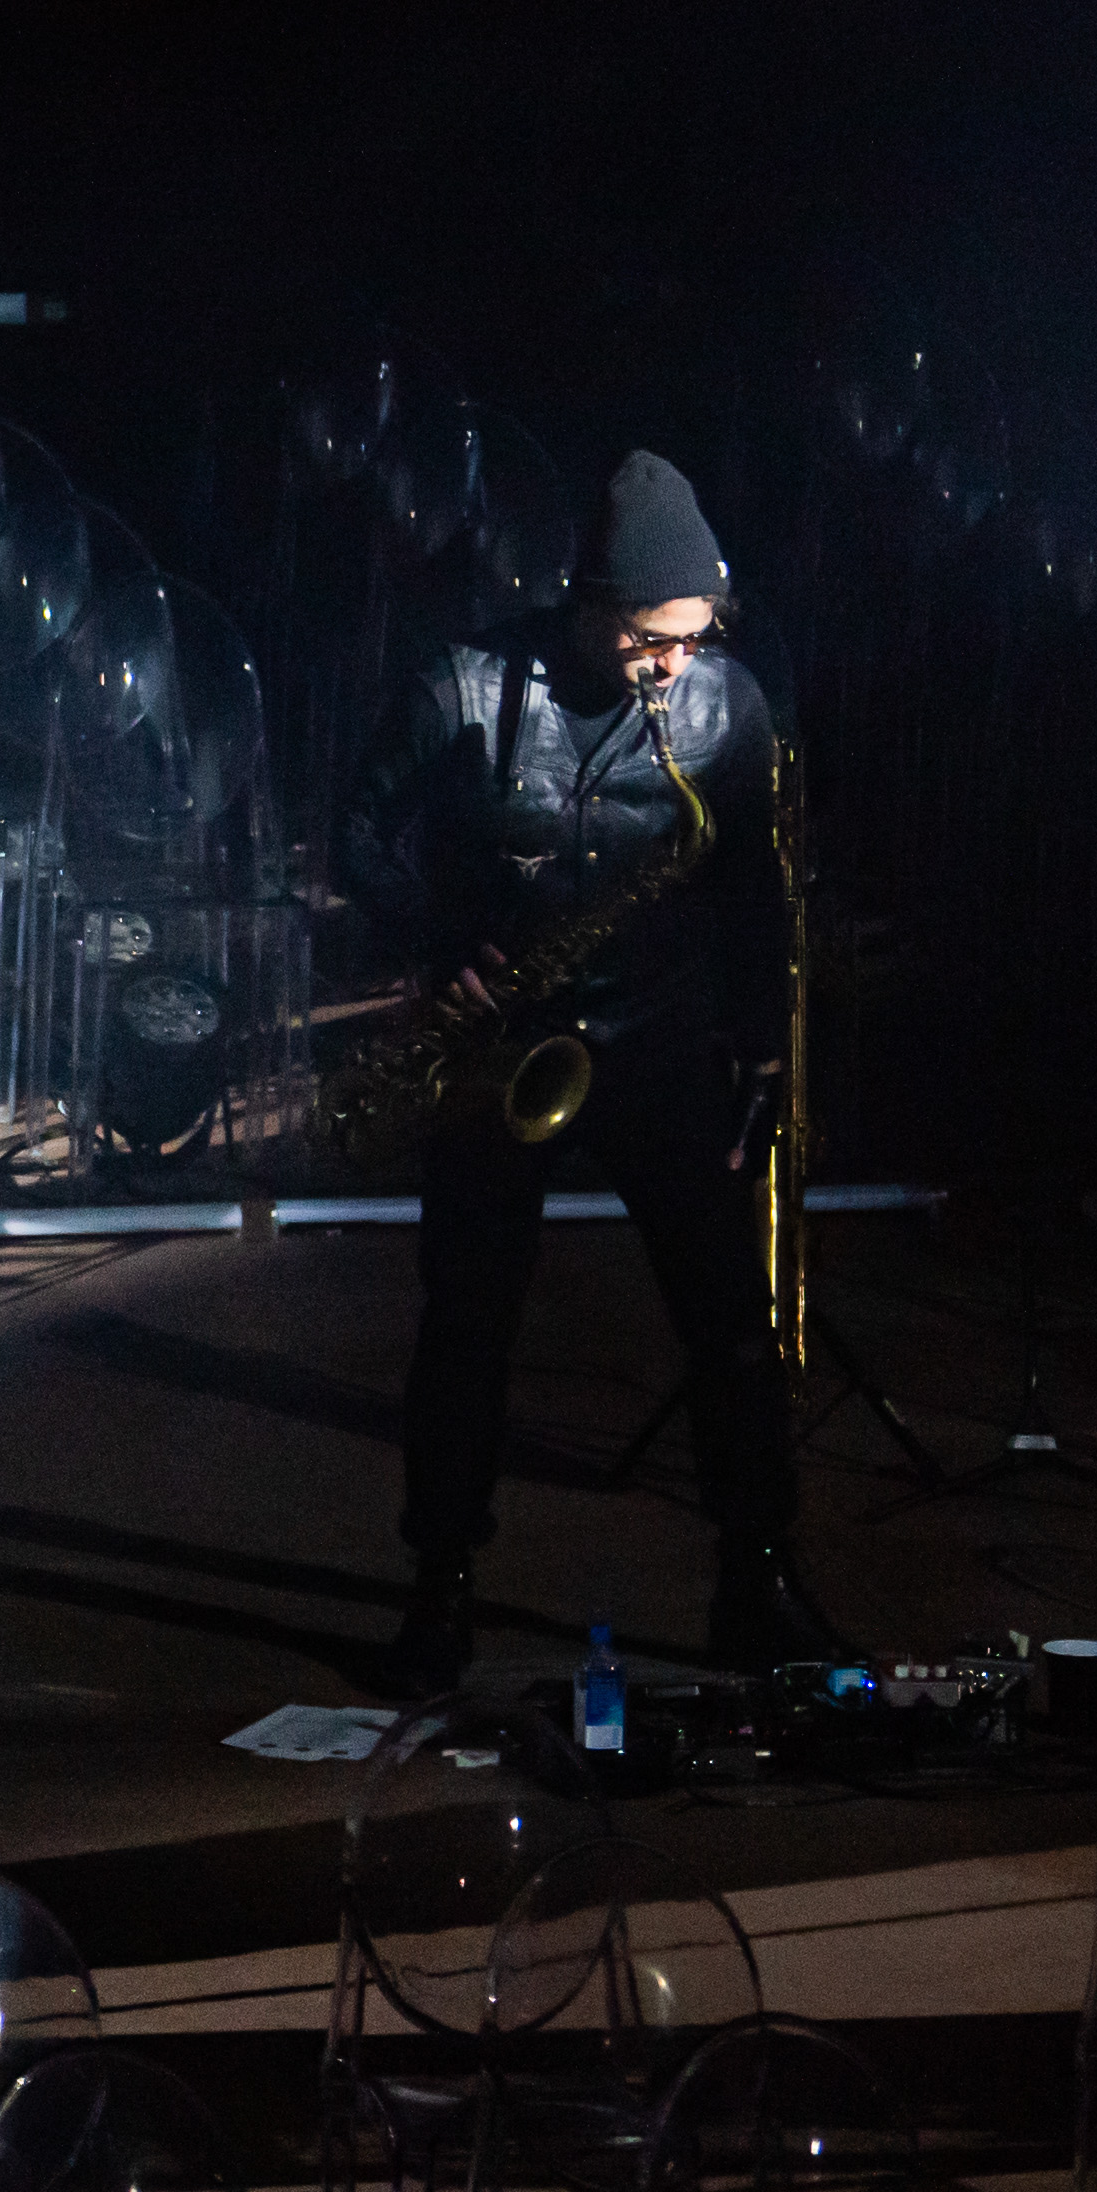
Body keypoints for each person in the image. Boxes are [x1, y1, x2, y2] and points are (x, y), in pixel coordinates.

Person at [339, 449, 847, 1690]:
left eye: (692, 639)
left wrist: (764, 1045)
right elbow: (357, 836)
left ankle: (759, 1581)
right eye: (651, 642)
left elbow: (749, 886)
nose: (674, 666)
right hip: (501, 1039)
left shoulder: (724, 709)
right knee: (467, 1326)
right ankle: (442, 1588)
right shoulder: (460, 686)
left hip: (657, 1041)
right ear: (591, 606)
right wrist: (435, 948)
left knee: (732, 1322)